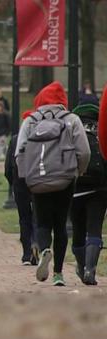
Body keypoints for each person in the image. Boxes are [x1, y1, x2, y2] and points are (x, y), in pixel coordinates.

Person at [15, 81, 90, 286]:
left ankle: (44, 249)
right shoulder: (71, 119)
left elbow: (19, 151)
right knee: (61, 224)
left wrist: (27, 176)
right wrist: (78, 171)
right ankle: (58, 273)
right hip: (65, 179)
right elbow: (84, 151)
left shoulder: (31, 120)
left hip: (37, 179)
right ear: (62, 101)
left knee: (42, 221)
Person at [70, 103, 107, 285]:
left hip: (75, 189)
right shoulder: (101, 135)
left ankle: (81, 265)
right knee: (94, 227)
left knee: (78, 229)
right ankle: (90, 270)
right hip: (99, 189)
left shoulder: (72, 134)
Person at [5, 130, 39, 266]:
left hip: (20, 182)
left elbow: (8, 165)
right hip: (37, 181)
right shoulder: (40, 136)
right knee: (38, 217)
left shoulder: (15, 139)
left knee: (24, 218)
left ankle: (26, 253)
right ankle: (36, 243)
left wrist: (12, 183)